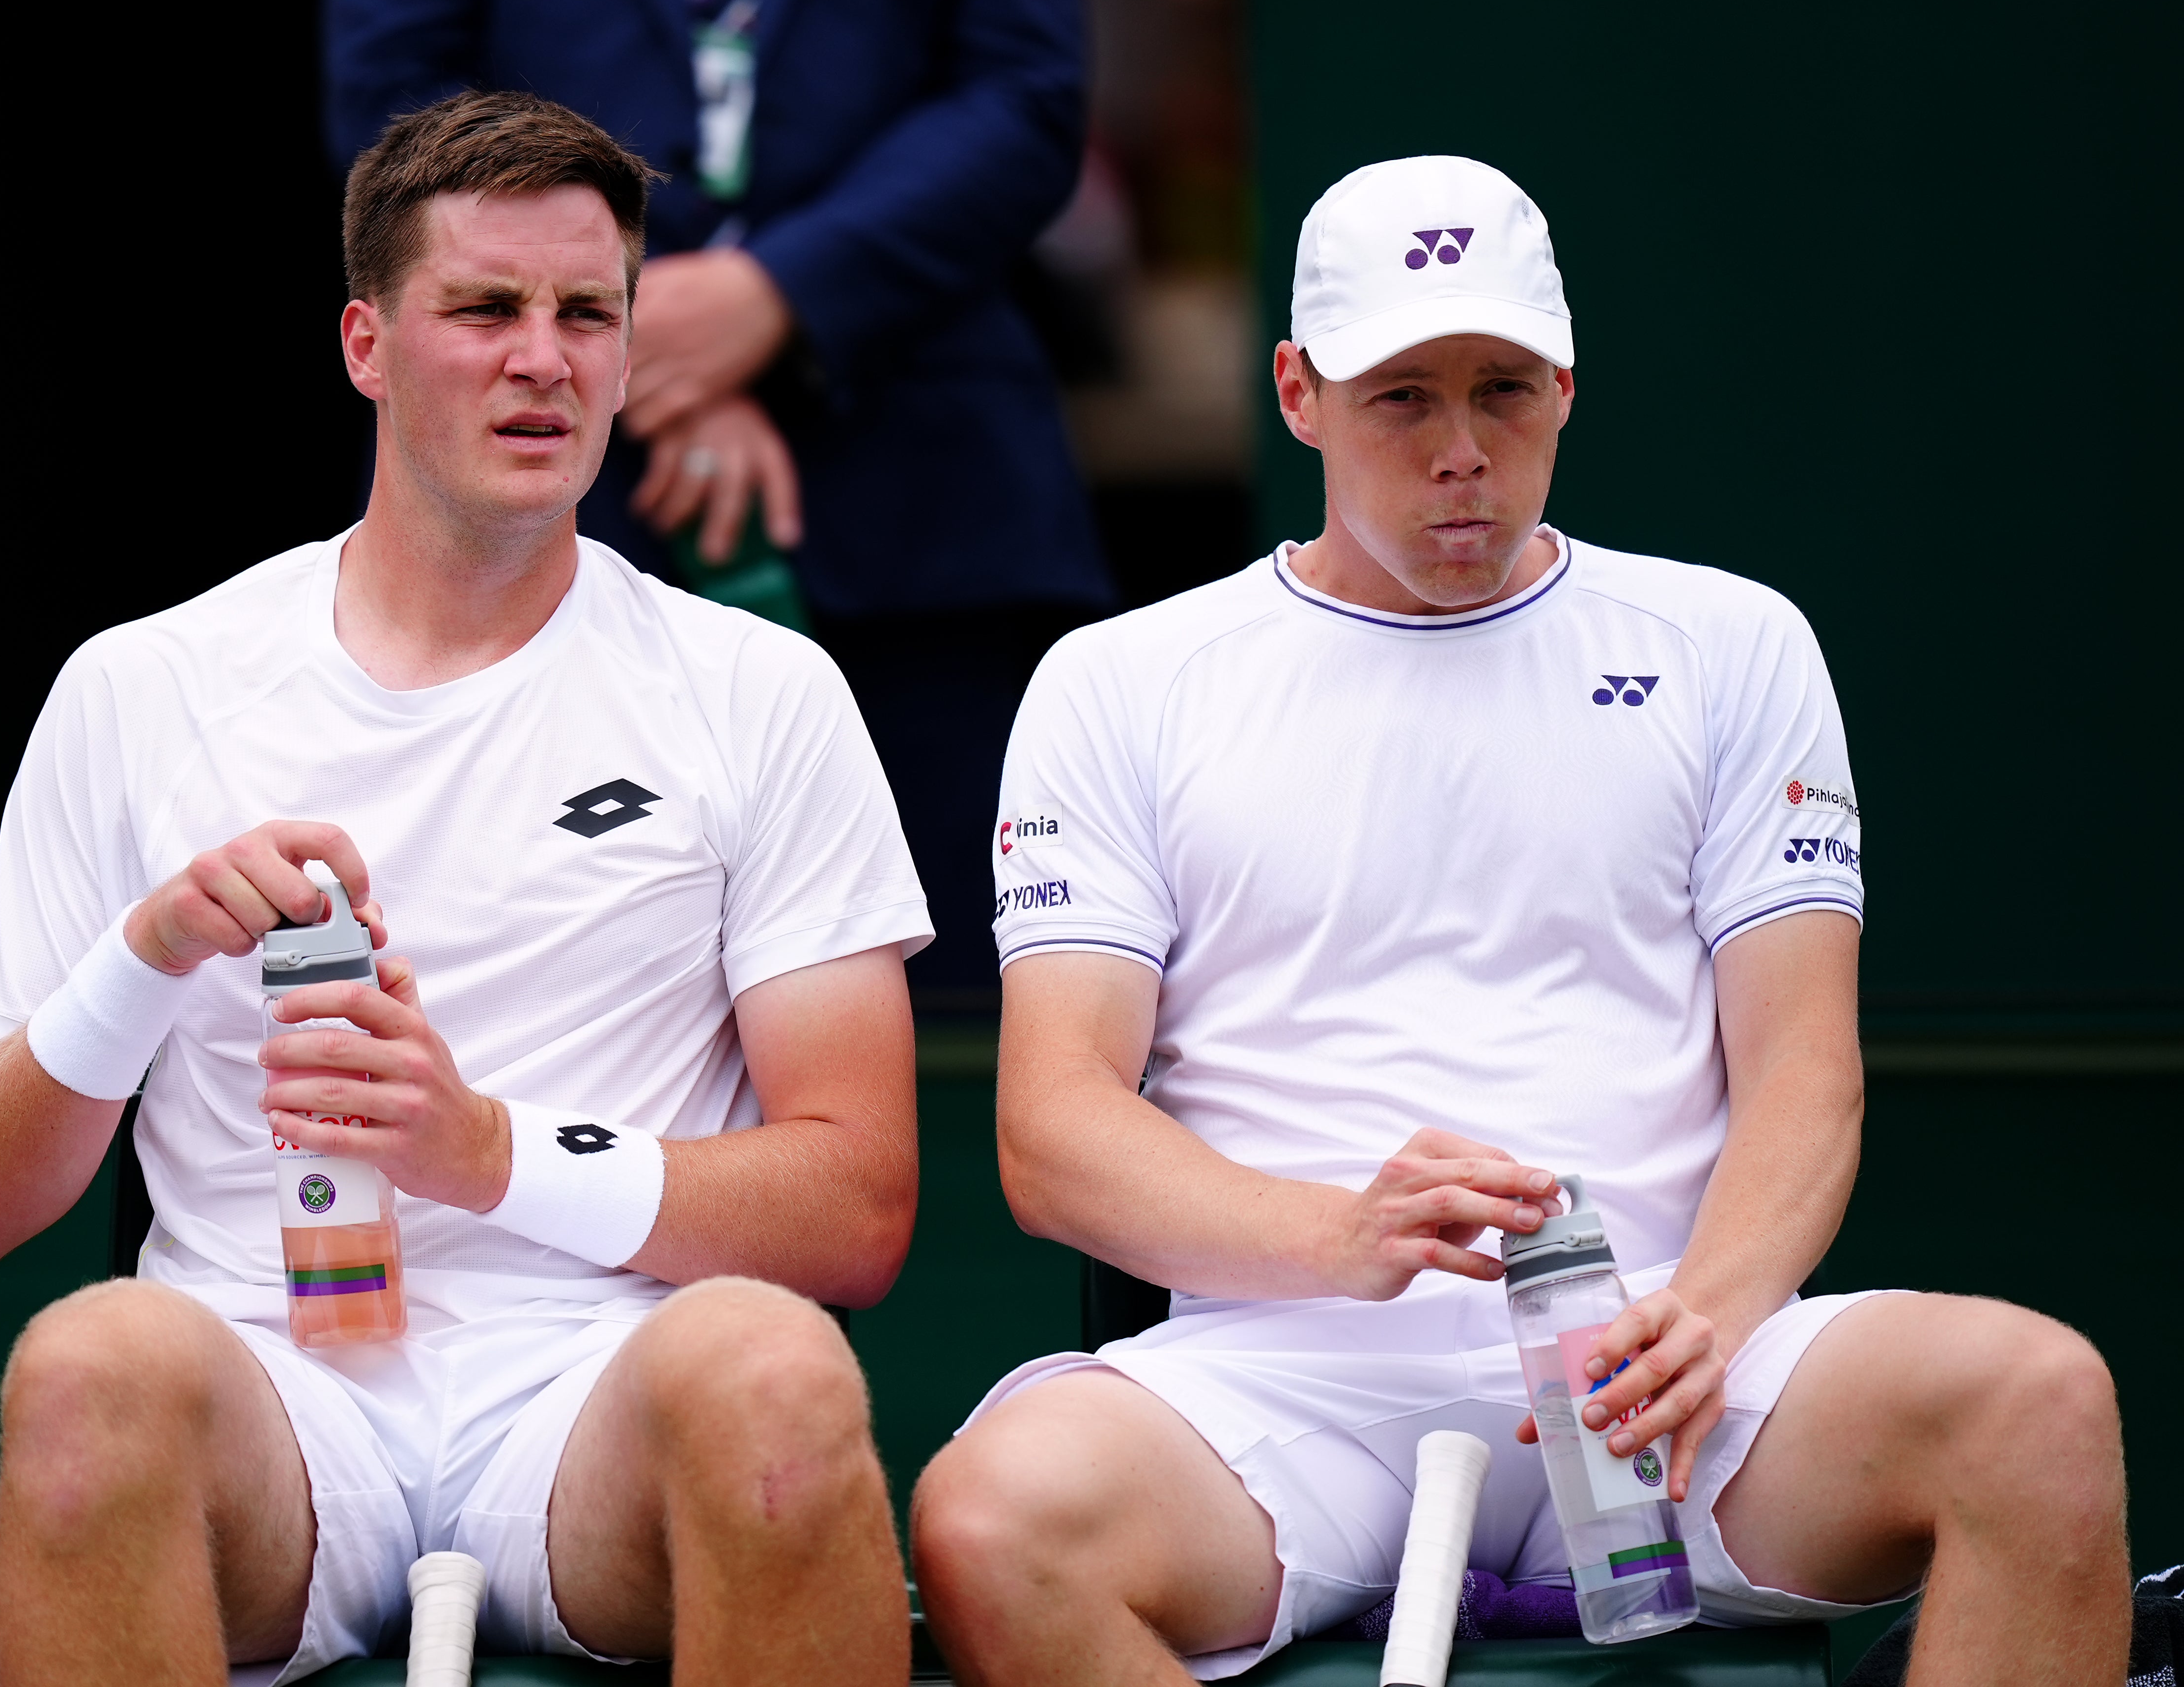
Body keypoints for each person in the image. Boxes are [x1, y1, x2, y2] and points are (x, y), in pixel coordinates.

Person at [909, 155, 2131, 1685]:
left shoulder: (1730, 644)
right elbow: (1050, 1130)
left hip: (1674, 1375)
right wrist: (1335, 1235)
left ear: (1565, 388)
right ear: (1297, 394)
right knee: (994, 1523)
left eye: (1501, 391)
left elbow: (1805, 1068)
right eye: (1399, 398)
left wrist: (1707, 1311)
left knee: (2036, 1399)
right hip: (1281, 1388)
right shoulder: (1122, 679)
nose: (1461, 452)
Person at [0, 91, 932, 1684]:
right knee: (86, 1359)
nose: (546, 358)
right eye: (485, 308)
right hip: (271, 1384)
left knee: (775, 1371)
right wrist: (153, 949)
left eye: (589, 311)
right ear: (366, 344)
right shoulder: (145, 683)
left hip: (599, 1385)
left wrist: (481, 1150)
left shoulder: (759, 687)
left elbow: (858, 1207)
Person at [322, 0, 1119, 995]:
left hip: (918, 516)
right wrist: (612, 325)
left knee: (947, 1013)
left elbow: (1024, 94)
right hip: (531, 527)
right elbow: (398, 105)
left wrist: (777, 297)